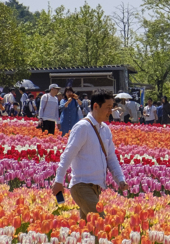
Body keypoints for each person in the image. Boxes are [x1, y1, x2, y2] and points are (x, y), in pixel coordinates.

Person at [51, 91, 127, 219]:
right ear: (96, 106)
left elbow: (111, 158)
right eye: (108, 107)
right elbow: (67, 155)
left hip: (96, 188)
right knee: (101, 224)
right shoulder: (82, 127)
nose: (111, 111)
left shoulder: (105, 130)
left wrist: (120, 179)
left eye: (112, 107)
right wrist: (58, 180)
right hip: (82, 185)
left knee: (88, 233)